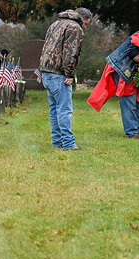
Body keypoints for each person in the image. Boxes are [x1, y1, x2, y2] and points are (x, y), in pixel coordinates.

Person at [39, 8, 92, 151]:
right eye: (86, 23)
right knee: (64, 110)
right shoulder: (74, 28)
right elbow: (70, 52)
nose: (85, 26)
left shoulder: (55, 24)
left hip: (46, 72)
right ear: (81, 18)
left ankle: (57, 141)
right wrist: (69, 74)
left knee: (54, 109)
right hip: (59, 74)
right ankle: (68, 144)